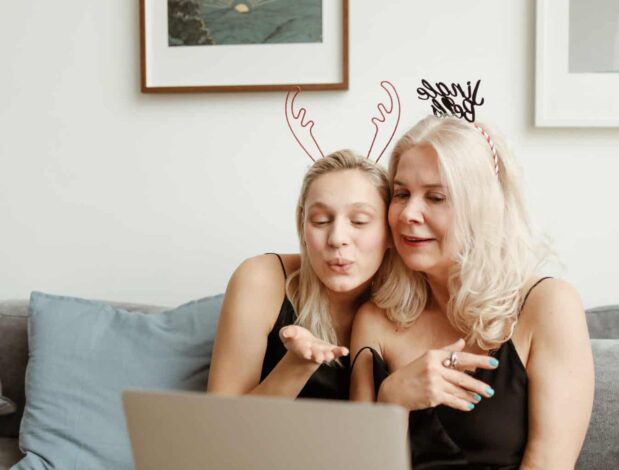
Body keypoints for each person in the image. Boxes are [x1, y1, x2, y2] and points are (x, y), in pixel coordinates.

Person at [350, 116, 594, 469]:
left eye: (435, 197)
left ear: (481, 209)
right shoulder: (375, 319)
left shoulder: (548, 306)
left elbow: (549, 464)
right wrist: (392, 401)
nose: (408, 214)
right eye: (401, 194)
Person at [208, 150, 391, 400]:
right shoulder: (260, 279)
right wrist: (296, 365)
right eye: (320, 220)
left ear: (390, 231)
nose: (337, 238)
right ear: (303, 228)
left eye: (359, 221)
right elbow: (219, 422)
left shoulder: (411, 305)